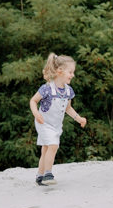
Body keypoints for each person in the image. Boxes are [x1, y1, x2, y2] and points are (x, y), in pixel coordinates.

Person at [29, 53, 87, 185]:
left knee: (45, 149)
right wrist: (35, 113)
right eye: (70, 72)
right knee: (53, 145)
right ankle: (48, 174)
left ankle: (40, 175)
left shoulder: (68, 91)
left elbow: (68, 108)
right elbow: (33, 101)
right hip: (43, 122)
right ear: (60, 71)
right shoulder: (47, 88)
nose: (72, 75)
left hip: (55, 125)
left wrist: (79, 119)